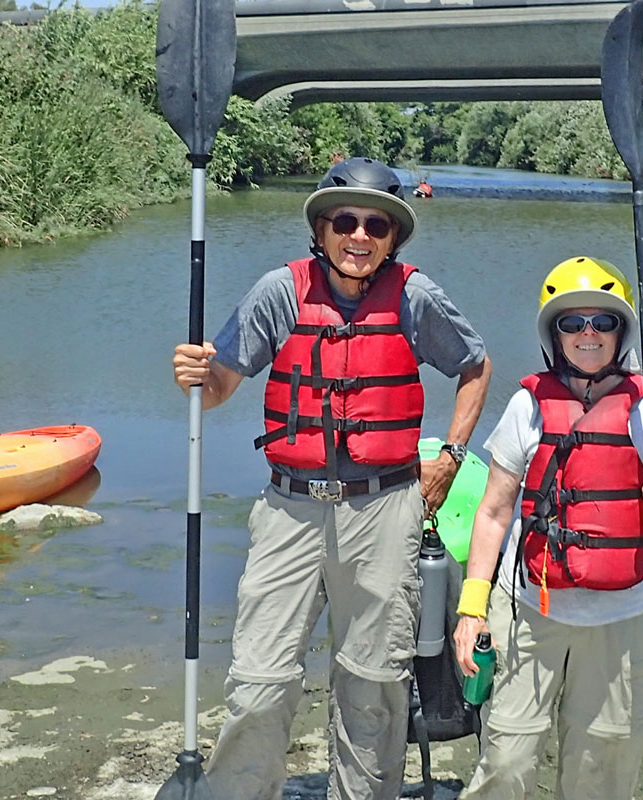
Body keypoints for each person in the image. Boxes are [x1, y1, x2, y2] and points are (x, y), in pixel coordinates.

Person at [172, 156, 491, 800]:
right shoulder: (280, 292)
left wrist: (452, 456)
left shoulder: (415, 296)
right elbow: (221, 382)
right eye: (345, 221)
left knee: (374, 683)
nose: (360, 236)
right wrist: (197, 378)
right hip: (289, 508)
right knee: (260, 681)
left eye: (377, 225)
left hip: (384, 509)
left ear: (393, 239)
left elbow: (475, 366)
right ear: (320, 230)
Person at [452, 256, 643, 799]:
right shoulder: (526, 407)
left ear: (621, 331)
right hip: (530, 608)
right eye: (572, 323)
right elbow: (493, 512)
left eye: (603, 322)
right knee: (507, 759)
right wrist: (471, 608)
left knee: (601, 772)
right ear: (554, 334)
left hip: (623, 618)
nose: (588, 333)